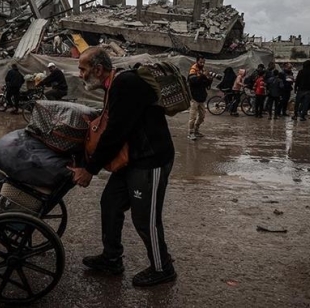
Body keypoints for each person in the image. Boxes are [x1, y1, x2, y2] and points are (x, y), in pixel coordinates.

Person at [69, 47, 177, 287]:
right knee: (110, 203)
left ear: (98, 69)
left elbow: (114, 133)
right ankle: (111, 258)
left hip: (151, 159)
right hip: (133, 159)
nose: (80, 74)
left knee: (145, 218)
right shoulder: (114, 84)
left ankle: (163, 267)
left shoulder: (124, 83)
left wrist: (90, 169)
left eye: (83, 69)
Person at [187, 56, 213, 140]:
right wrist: (202, 76)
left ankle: (196, 130)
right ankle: (190, 133)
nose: (202, 64)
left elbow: (205, 84)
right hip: (194, 97)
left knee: (202, 116)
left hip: (201, 97)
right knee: (193, 117)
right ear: (197, 61)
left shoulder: (203, 71)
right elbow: (193, 82)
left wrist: (209, 79)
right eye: (201, 62)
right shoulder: (193, 70)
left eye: (203, 62)